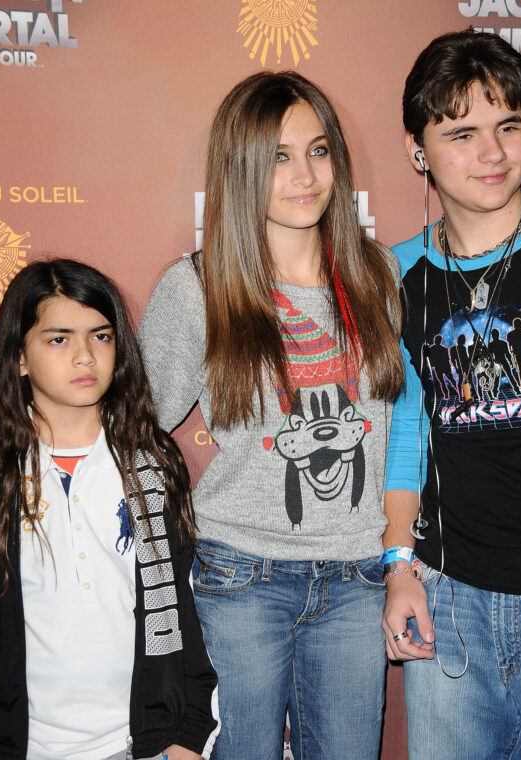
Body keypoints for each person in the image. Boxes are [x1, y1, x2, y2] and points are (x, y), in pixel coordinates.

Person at [138, 72, 404, 760]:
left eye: (317, 151)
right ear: (240, 167)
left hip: (355, 580)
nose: (305, 175)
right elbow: (131, 430)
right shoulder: (199, 287)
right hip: (239, 582)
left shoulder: (380, 278)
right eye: (278, 157)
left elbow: (407, 430)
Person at [382, 29, 521, 760]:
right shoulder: (394, 275)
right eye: (461, 133)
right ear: (419, 151)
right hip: (448, 602)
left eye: (509, 127)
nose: (494, 154)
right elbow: (407, 426)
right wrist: (397, 565)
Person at [0, 260, 219, 760]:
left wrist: (185, 736)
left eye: (100, 337)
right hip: (15, 747)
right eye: (58, 339)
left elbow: (185, 610)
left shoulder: (152, 466)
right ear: (19, 357)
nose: (84, 356)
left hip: (137, 744)